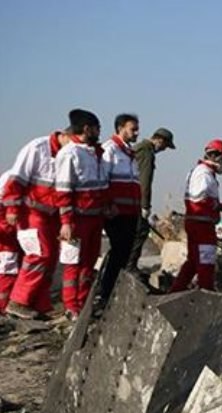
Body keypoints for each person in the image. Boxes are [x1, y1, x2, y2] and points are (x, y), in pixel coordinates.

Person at [2, 124, 72, 319]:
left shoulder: (69, 154)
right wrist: (12, 208)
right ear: (65, 135)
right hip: (31, 212)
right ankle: (18, 301)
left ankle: (39, 305)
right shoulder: (37, 148)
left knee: (50, 259)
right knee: (39, 254)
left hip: (52, 215)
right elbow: (16, 180)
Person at [54, 109, 110, 319]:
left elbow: (101, 184)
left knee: (88, 262)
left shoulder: (94, 153)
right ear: (87, 129)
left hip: (95, 218)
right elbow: (64, 191)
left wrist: (107, 205)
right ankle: (71, 306)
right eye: (97, 128)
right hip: (77, 219)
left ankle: (84, 303)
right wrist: (66, 222)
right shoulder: (69, 154)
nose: (99, 132)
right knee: (72, 263)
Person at [171, 140, 222, 292]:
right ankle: (207, 292)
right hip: (202, 224)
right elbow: (199, 198)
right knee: (207, 260)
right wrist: (216, 206)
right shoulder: (204, 173)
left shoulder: (200, 171)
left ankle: (175, 291)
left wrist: (221, 206)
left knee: (193, 261)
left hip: (195, 223)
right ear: (217, 156)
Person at [97, 113, 143, 306]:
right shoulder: (110, 151)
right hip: (116, 213)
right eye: (133, 129)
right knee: (118, 252)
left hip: (130, 212)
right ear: (121, 128)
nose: (136, 133)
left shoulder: (129, 153)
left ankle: (114, 292)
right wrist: (108, 205)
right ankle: (105, 293)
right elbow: (102, 180)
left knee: (125, 253)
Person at [126, 127, 175, 272]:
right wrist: (145, 206)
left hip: (130, 198)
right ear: (159, 140)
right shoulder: (146, 151)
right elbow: (144, 180)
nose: (164, 149)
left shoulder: (141, 149)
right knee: (140, 231)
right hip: (135, 200)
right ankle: (129, 267)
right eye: (165, 146)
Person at [0, 170, 18, 313]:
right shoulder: (11, 178)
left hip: (9, 234)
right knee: (8, 269)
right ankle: (3, 306)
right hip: (7, 237)